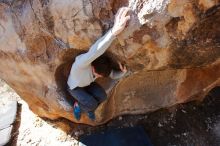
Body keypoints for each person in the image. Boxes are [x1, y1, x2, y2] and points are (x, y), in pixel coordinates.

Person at [67, 7, 131, 121]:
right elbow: (96, 50)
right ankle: (79, 106)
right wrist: (113, 32)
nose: (100, 77)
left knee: (102, 96)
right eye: (99, 75)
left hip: (87, 84)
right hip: (75, 88)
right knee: (91, 104)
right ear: (93, 68)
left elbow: (112, 75)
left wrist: (123, 72)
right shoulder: (81, 65)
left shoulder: (101, 67)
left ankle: (89, 108)